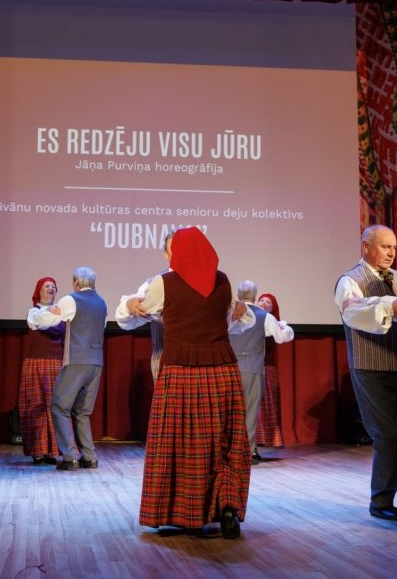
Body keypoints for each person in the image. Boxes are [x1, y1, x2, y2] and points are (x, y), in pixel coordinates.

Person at [128, 227, 255, 538]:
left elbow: (138, 311)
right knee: (224, 441)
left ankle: (182, 510)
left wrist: (131, 303)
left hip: (181, 370)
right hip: (222, 370)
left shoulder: (164, 283)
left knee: (179, 440)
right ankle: (227, 505)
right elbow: (236, 316)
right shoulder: (223, 281)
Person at [334, 224, 397, 522]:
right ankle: (381, 501)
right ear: (366, 246)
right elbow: (354, 313)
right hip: (372, 368)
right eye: (385, 246)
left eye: (394, 247)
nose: (391, 253)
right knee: (388, 434)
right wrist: (395, 308)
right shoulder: (350, 280)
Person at [34, 266, 107, 470]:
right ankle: (90, 457)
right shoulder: (102, 302)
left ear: (76, 282)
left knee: (59, 406)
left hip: (76, 360)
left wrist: (37, 314)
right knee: (82, 411)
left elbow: (50, 320)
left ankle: (70, 456)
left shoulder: (71, 300)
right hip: (96, 362)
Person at [231, 281, 293, 463]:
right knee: (250, 411)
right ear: (255, 296)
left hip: (229, 368)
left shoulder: (228, 313)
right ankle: (248, 452)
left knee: (228, 411)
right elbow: (282, 337)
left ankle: (227, 451)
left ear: (238, 295)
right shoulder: (264, 316)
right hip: (252, 368)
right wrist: (285, 326)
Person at [115, 233, 172, 382]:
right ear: (166, 254)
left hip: (198, 360)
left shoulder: (202, 281)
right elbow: (125, 320)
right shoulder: (156, 282)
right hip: (164, 359)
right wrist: (129, 305)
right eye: (174, 248)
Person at [21, 277, 66, 465]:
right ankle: (38, 451)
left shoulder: (60, 311)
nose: (51, 288)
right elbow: (49, 328)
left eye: (53, 286)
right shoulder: (34, 312)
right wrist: (57, 317)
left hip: (55, 362)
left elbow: (60, 330)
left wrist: (58, 318)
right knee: (36, 405)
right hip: (36, 363)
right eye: (47, 286)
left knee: (54, 406)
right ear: (39, 290)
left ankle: (51, 451)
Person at [255, 293, 286, 454]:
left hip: (266, 367)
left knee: (266, 405)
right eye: (261, 300)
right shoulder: (249, 319)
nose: (263, 303)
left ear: (273, 308)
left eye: (268, 302)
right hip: (251, 366)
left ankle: (264, 440)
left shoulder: (274, 324)